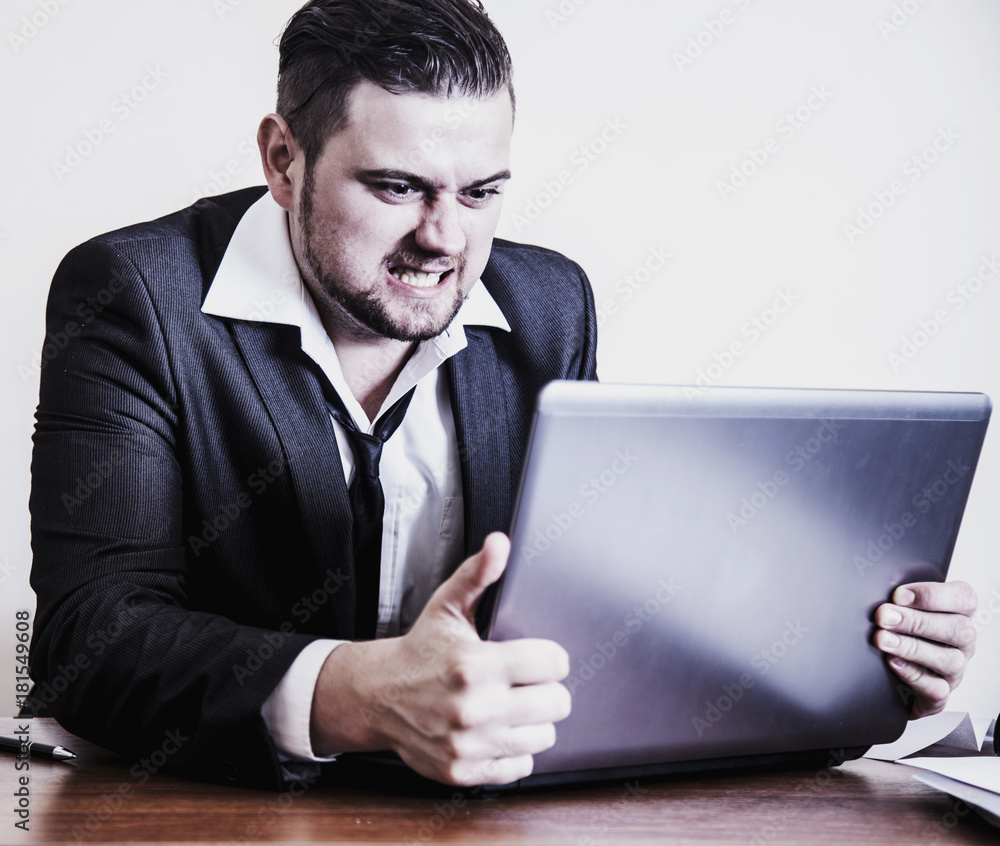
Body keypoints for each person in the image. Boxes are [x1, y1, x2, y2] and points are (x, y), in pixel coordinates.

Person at [26, 0, 977, 791]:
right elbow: (89, 638)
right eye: (398, 187)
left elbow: (599, 611)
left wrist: (854, 665)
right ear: (283, 160)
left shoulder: (548, 303)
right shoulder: (135, 295)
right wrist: (355, 693)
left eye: (482, 193)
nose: (446, 240)